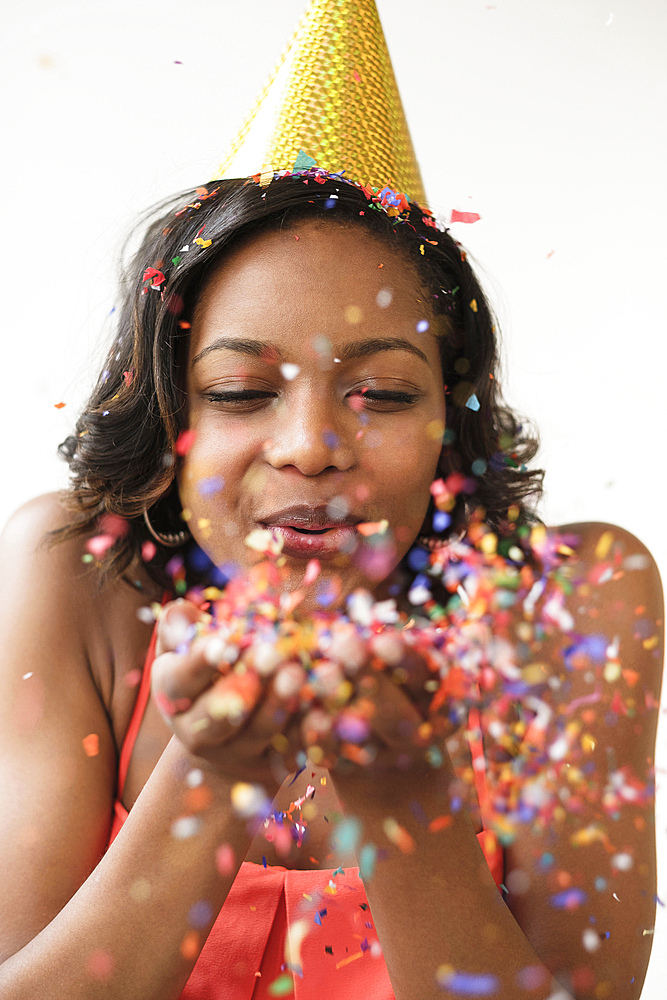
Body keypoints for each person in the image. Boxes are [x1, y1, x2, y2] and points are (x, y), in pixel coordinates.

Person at [0, 168, 662, 1000]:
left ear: (447, 420)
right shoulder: (73, 567)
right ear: (171, 415)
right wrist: (211, 776)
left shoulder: (573, 598)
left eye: (380, 394)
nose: (310, 445)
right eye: (240, 393)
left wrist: (401, 798)